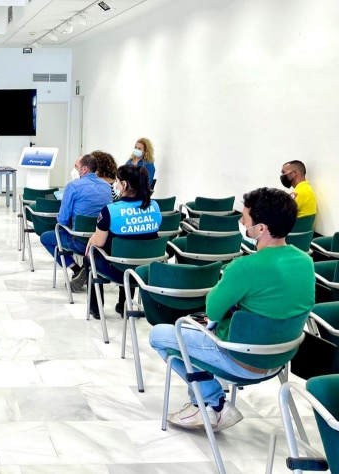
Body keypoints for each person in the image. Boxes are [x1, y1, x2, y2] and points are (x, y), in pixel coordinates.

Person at [149, 187, 314, 432]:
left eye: (245, 219)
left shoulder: (244, 266)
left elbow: (213, 310)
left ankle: (212, 403)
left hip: (241, 360)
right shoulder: (306, 261)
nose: (241, 223)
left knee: (159, 336)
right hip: (280, 357)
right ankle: (208, 403)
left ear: (261, 228)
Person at [86, 165, 161, 319]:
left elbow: (98, 243)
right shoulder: (155, 206)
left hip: (119, 271)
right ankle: (124, 305)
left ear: (125, 184)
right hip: (146, 270)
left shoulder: (110, 210)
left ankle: (96, 308)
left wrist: (91, 239)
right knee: (132, 251)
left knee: (90, 256)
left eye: (118, 181)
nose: (116, 184)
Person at [40, 154, 112, 288]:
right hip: (102, 241)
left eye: (76, 166)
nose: (74, 169)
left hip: (80, 241)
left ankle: (76, 269)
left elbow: (62, 219)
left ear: (84, 169)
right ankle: (88, 267)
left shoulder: (73, 186)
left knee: (46, 238)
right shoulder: (107, 186)